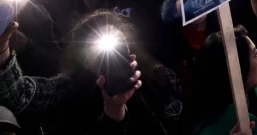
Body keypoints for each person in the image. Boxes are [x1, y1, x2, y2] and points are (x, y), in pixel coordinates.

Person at [0, 11, 181, 133]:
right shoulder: (70, 87)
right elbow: (20, 95)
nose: (111, 51)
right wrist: (2, 46)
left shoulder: (158, 75)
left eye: (118, 41)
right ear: (83, 55)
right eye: (98, 45)